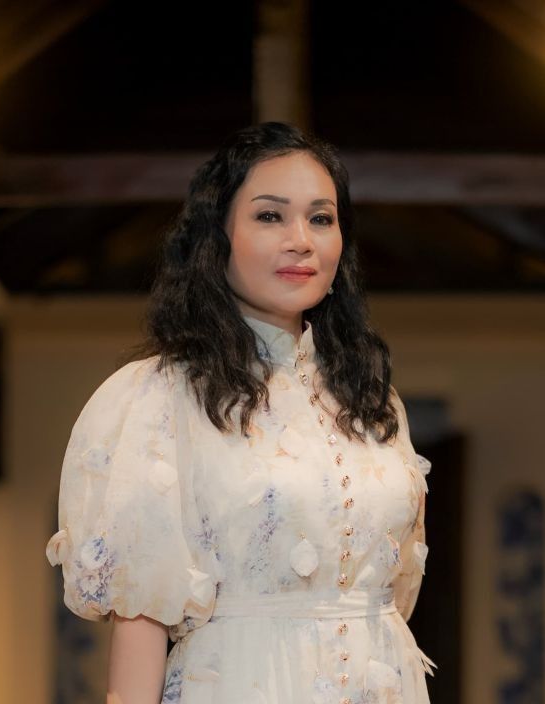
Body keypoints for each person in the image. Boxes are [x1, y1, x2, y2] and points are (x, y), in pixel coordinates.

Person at [46, 122, 434, 703]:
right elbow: (143, 618)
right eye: (270, 216)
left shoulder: (372, 399)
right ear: (217, 238)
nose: (300, 240)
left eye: (321, 218)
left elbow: (395, 593)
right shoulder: (160, 397)